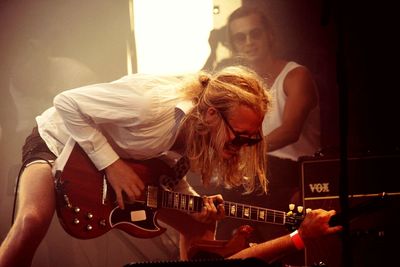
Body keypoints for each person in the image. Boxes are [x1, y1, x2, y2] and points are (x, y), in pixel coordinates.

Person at [0, 65, 339, 267]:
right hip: (56, 141)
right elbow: (67, 103)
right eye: (239, 137)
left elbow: (166, 175)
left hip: (101, 164)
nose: (242, 147)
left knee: (197, 225)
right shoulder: (150, 108)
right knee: (31, 220)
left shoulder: (197, 137)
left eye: (251, 141)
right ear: (210, 115)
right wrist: (113, 164)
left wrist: (196, 205)